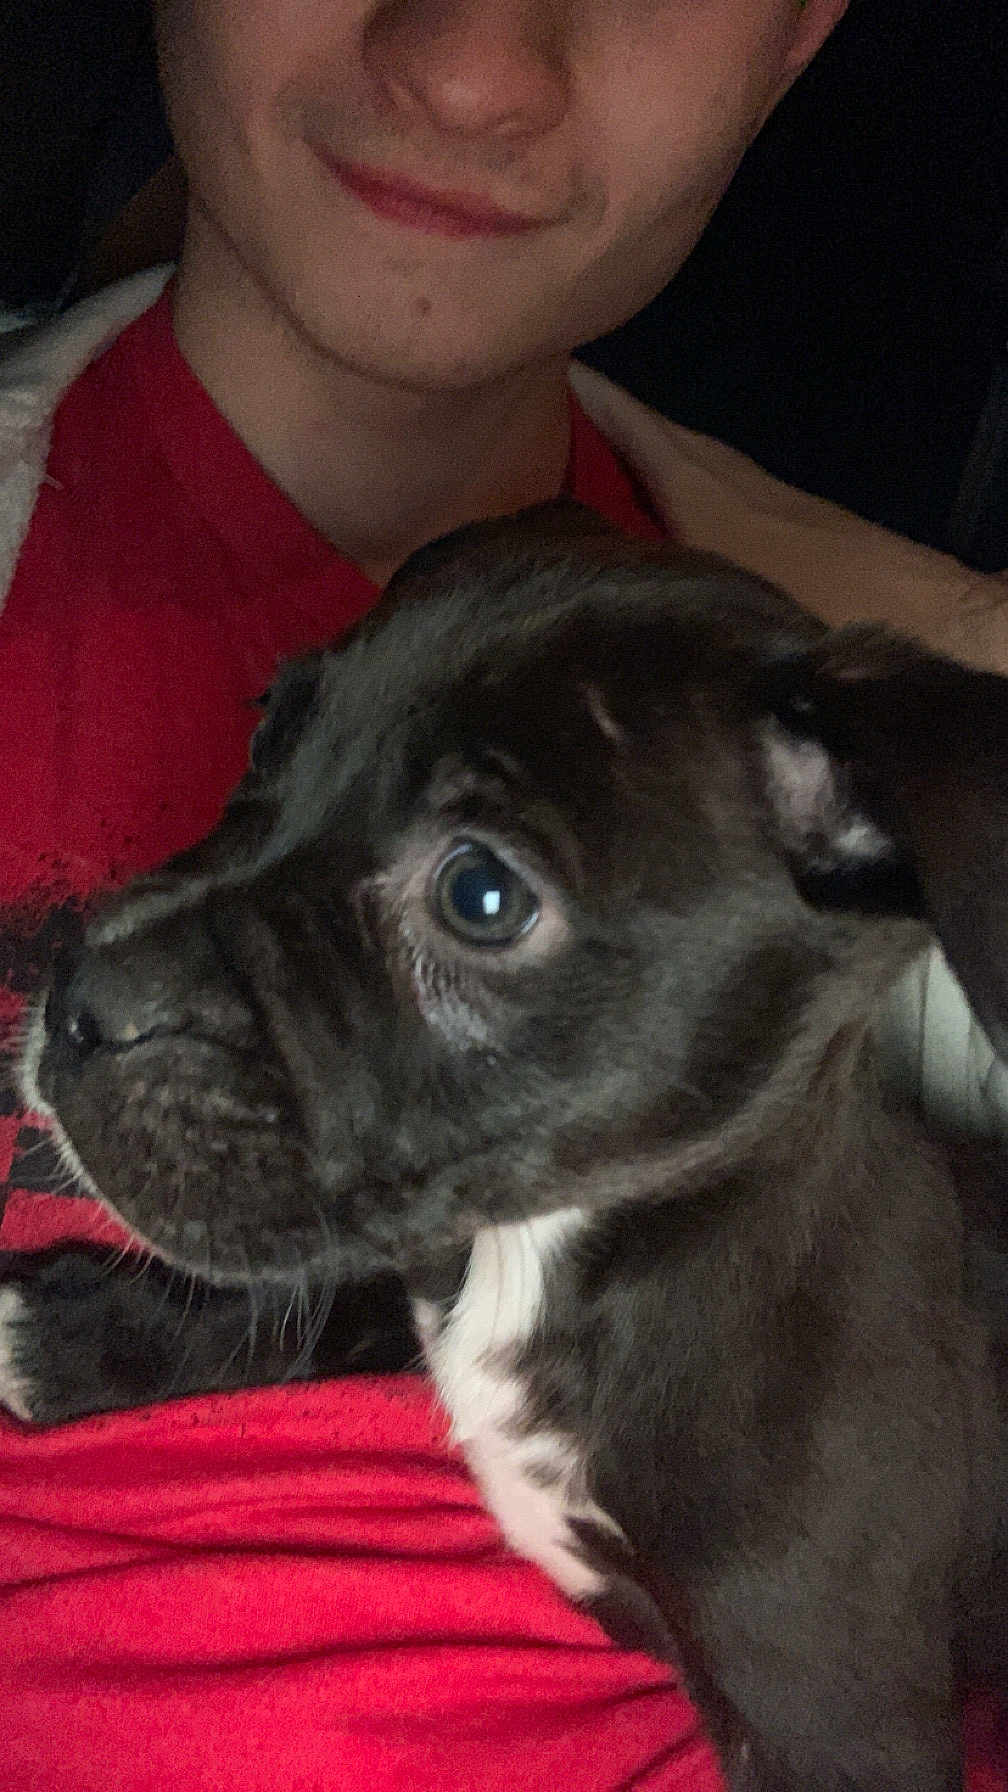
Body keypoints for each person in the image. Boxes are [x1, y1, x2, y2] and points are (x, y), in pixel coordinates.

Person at [0, 4, 1005, 1788]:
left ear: (803, 35)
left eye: (478, 898)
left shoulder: (913, 732)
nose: (472, 64)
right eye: (271, 740)